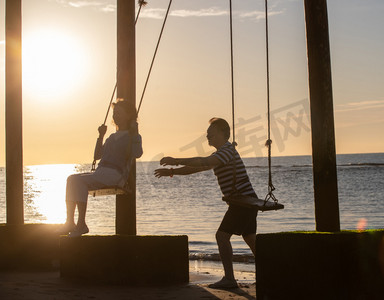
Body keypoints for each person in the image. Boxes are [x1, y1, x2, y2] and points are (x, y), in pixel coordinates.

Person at [154, 117, 258, 289]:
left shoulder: (227, 151)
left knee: (222, 236)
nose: (208, 136)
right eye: (207, 134)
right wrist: (172, 171)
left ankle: (230, 279)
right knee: (250, 239)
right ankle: (269, 274)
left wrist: (177, 160)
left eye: (211, 133)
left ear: (223, 133)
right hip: (246, 201)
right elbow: (198, 167)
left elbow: (204, 162)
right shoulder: (221, 153)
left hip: (242, 202)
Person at [62, 99, 143, 237]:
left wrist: (135, 133)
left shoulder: (132, 136)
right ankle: (70, 221)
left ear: (128, 115)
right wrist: (101, 136)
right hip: (102, 172)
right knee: (71, 179)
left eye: (119, 113)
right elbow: (97, 155)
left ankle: (81, 224)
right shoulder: (111, 137)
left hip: (115, 175)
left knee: (79, 181)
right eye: (114, 113)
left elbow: (137, 153)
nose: (115, 116)